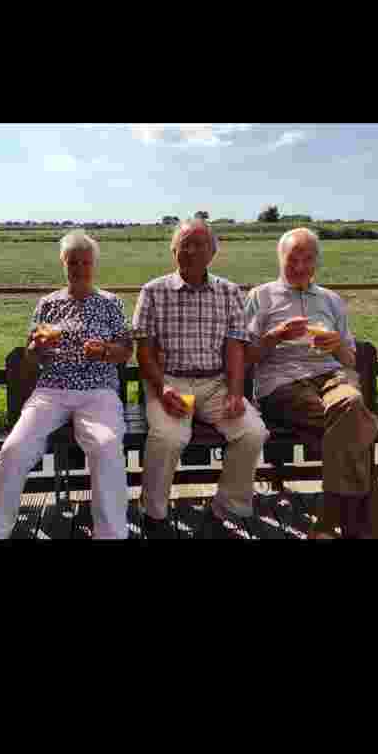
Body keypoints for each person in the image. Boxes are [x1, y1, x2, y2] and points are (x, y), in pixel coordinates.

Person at [0, 231, 133, 540]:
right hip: (51, 390)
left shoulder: (110, 303)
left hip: (98, 391)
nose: (78, 267)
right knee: (13, 450)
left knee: (106, 448)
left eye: (85, 261)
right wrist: (37, 348)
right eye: (72, 261)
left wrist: (104, 350)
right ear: (64, 264)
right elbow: (32, 355)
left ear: (94, 264)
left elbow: (126, 351)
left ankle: (112, 535)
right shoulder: (48, 304)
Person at [244, 228, 378, 539]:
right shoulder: (260, 296)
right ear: (279, 259)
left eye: (307, 259)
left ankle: (327, 523)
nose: (299, 267)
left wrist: (336, 345)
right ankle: (361, 529)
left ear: (317, 262)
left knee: (351, 407)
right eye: (292, 259)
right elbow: (245, 356)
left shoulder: (331, 300)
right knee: (357, 428)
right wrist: (276, 336)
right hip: (282, 383)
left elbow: (350, 360)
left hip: (331, 376)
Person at [132, 218, 269, 538]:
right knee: (169, 437)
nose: (192, 250)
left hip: (215, 384)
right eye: (185, 244)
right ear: (173, 251)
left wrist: (236, 393)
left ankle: (223, 510)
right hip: (169, 382)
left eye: (200, 244)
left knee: (252, 432)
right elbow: (144, 352)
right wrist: (162, 388)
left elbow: (235, 347)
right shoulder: (153, 291)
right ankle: (154, 514)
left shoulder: (229, 291)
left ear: (213, 252)